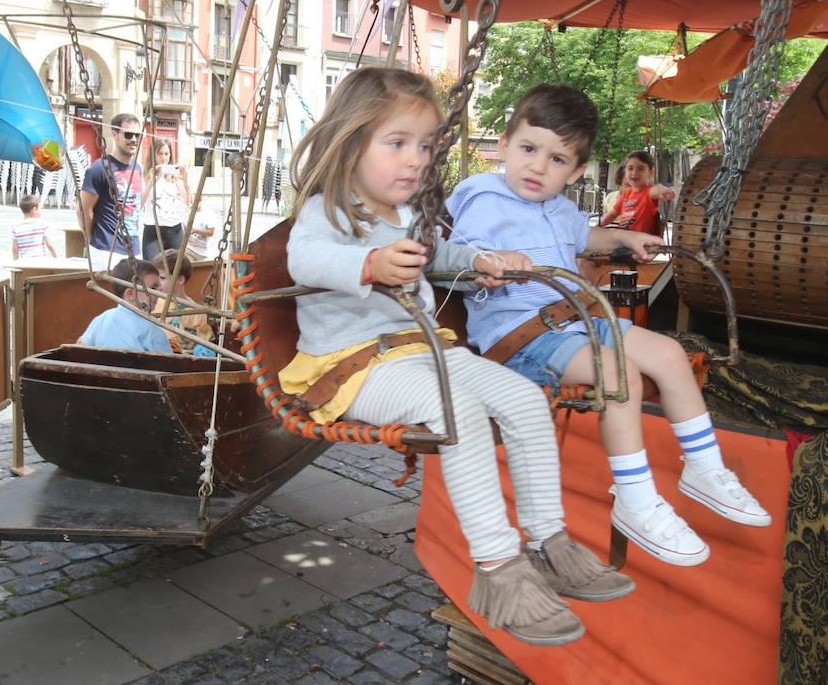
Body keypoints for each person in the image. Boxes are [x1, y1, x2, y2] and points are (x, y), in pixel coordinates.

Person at [282, 67, 633, 647]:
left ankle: (550, 542)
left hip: (422, 349)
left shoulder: (407, 214)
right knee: (460, 411)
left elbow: (440, 253)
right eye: (397, 143)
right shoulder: (330, 209)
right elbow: (305, 259)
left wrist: (481, 262)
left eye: (424, 145)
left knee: (523, 399)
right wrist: (366, 266)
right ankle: (499, 567)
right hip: (354, 366)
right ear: (351, 141)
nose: (416, 159)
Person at [447, 84, 770, 568]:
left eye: (557, 160)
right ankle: (636, 499)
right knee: (619, 373)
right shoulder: (481, 196)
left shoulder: (557, 206)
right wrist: (484, 260)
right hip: (521, 335)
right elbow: (450, 256)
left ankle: (704, 467)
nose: (538, 167)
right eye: (528, 149)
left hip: (578, 319)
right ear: (506, 145)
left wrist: (624, 237)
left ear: (576, 171)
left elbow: (586, 235)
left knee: (668, 355)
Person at [78, 113, 143, 266]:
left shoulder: (138, 168)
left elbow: (136, 203)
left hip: (134, 248)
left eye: (137, 135)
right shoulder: (99, 168)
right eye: (128, 135)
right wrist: (92, 238)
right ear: (115, 135)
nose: (133, 139)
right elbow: (83, 210)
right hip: (106, 250)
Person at [78, 256, 172, 353]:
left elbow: (80, 347)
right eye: (153, 288)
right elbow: (172, 365)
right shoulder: (152, 331)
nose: (158, 293)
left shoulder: (101, 319)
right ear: (130, 294)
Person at [151, 248, 215, 357]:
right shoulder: (153, 303)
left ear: (180, 280)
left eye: (162, 278)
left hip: (183, 361)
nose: (157, 283)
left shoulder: (196, 313)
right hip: (154, 356)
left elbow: (206, 344)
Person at [599, 150, 676, 237]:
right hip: (625, 239)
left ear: (650, 173)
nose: (634, 173)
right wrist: (597, 226)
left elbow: (657, 189)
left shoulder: (648, 191)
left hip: (642, 241)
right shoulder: (626, 195)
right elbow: (612, 214)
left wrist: (664, 191)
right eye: (630, 168)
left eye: (641, 169)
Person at [139, 138, 190, 261]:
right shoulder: (145, 174)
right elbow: (139, 203)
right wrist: (151, 182)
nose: (164, 158)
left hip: (174, 228)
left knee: (176, 269)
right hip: (152, 229)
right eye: (160, 153)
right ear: (153, 155)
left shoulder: (174, 175)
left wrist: (185, 178)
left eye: (166, 154)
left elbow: (188, 200)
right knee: (152, 268)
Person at [10, 194, 57, 260]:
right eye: (40, 208)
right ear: (34, 209)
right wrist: (57, 258)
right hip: (39, 261)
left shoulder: (16, 227)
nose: (41, 211)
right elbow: (49, 245)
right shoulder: (42, 224)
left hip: (25, 262)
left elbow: (15, 249)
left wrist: (16, 262)